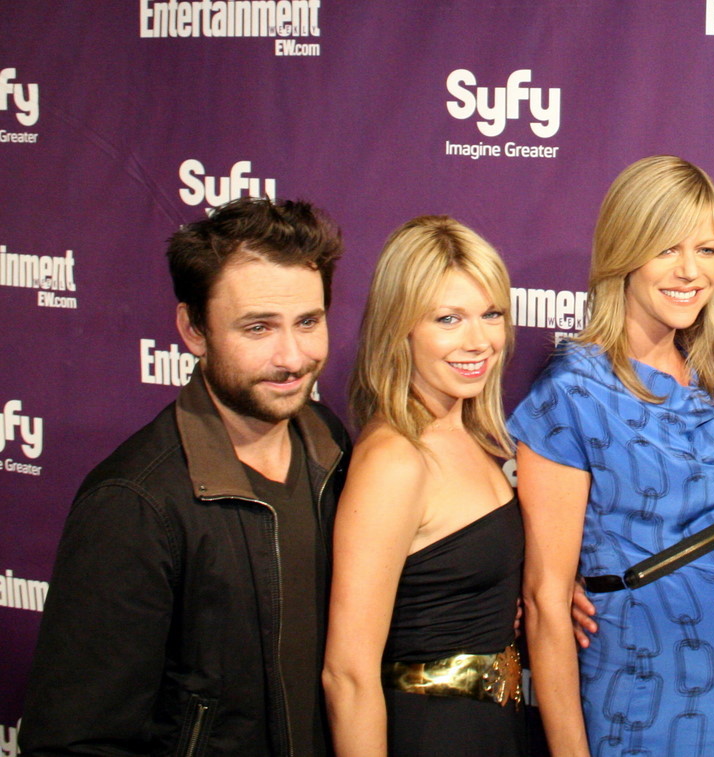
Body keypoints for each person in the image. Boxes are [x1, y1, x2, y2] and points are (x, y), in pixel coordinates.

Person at [21, 197, 348, 756]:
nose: (293, 357)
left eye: (308, 322)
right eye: (258, 328)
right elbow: (76, 740)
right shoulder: (134, 503)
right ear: (194, 330)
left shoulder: (329, 443)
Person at [512, 156, 714, 756]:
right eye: (667, 248)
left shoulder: (709, 377)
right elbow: (545, 603)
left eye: (707, 250)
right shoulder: (573, 393)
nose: (691, 271)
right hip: (646, 701)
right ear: (625, 251)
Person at [321, 217, 527, 756]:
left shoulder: (468, 433)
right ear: (400, 327)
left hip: (493, 730)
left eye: (491, 315)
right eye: (448, 319)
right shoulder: (395, 461)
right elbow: (348, 674)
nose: (479, 341)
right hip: (431, 734)